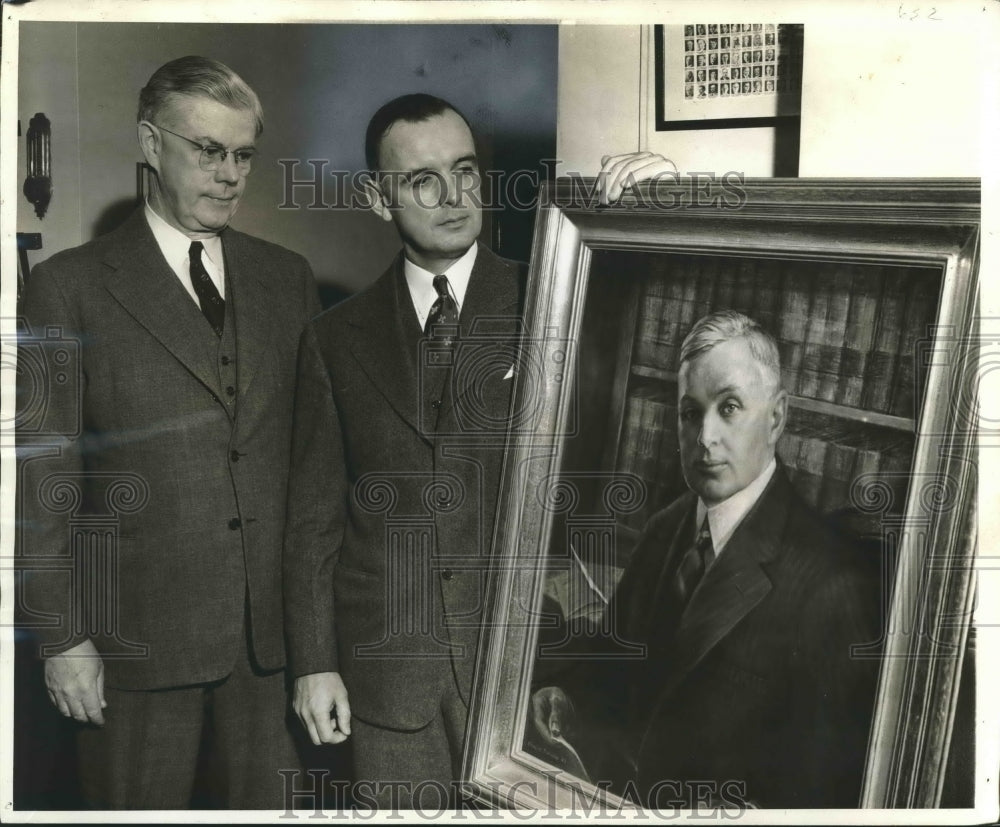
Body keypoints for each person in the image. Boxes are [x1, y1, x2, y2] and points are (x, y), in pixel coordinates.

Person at [281, 93, 676, 808]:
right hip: (386, 678)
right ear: (378, 196)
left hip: (516, 672)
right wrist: (314, 663)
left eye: (465, 171)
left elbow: (650, 312)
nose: (454, 195)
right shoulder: (334, 338)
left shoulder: (551, 295)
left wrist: (657, 211)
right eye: (423, 179)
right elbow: (313, 520)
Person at [17, 56, 321, 809]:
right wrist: (61, 638)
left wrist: (318, 647)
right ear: (152, 145)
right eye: (207, 151)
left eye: (243, 155)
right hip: (132, 652)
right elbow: (44, 480)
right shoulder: (70, 285)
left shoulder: (288, 278)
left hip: (268, 653)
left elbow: (314, 469)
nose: (229, 175)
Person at [532, 311, 880, 808]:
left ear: (777, 417)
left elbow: (827, 796)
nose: (704, 438)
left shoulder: (832, 583)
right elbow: (610, 669)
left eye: (730, 407)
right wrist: (567, 699)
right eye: (690, 413)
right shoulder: (665, 530)